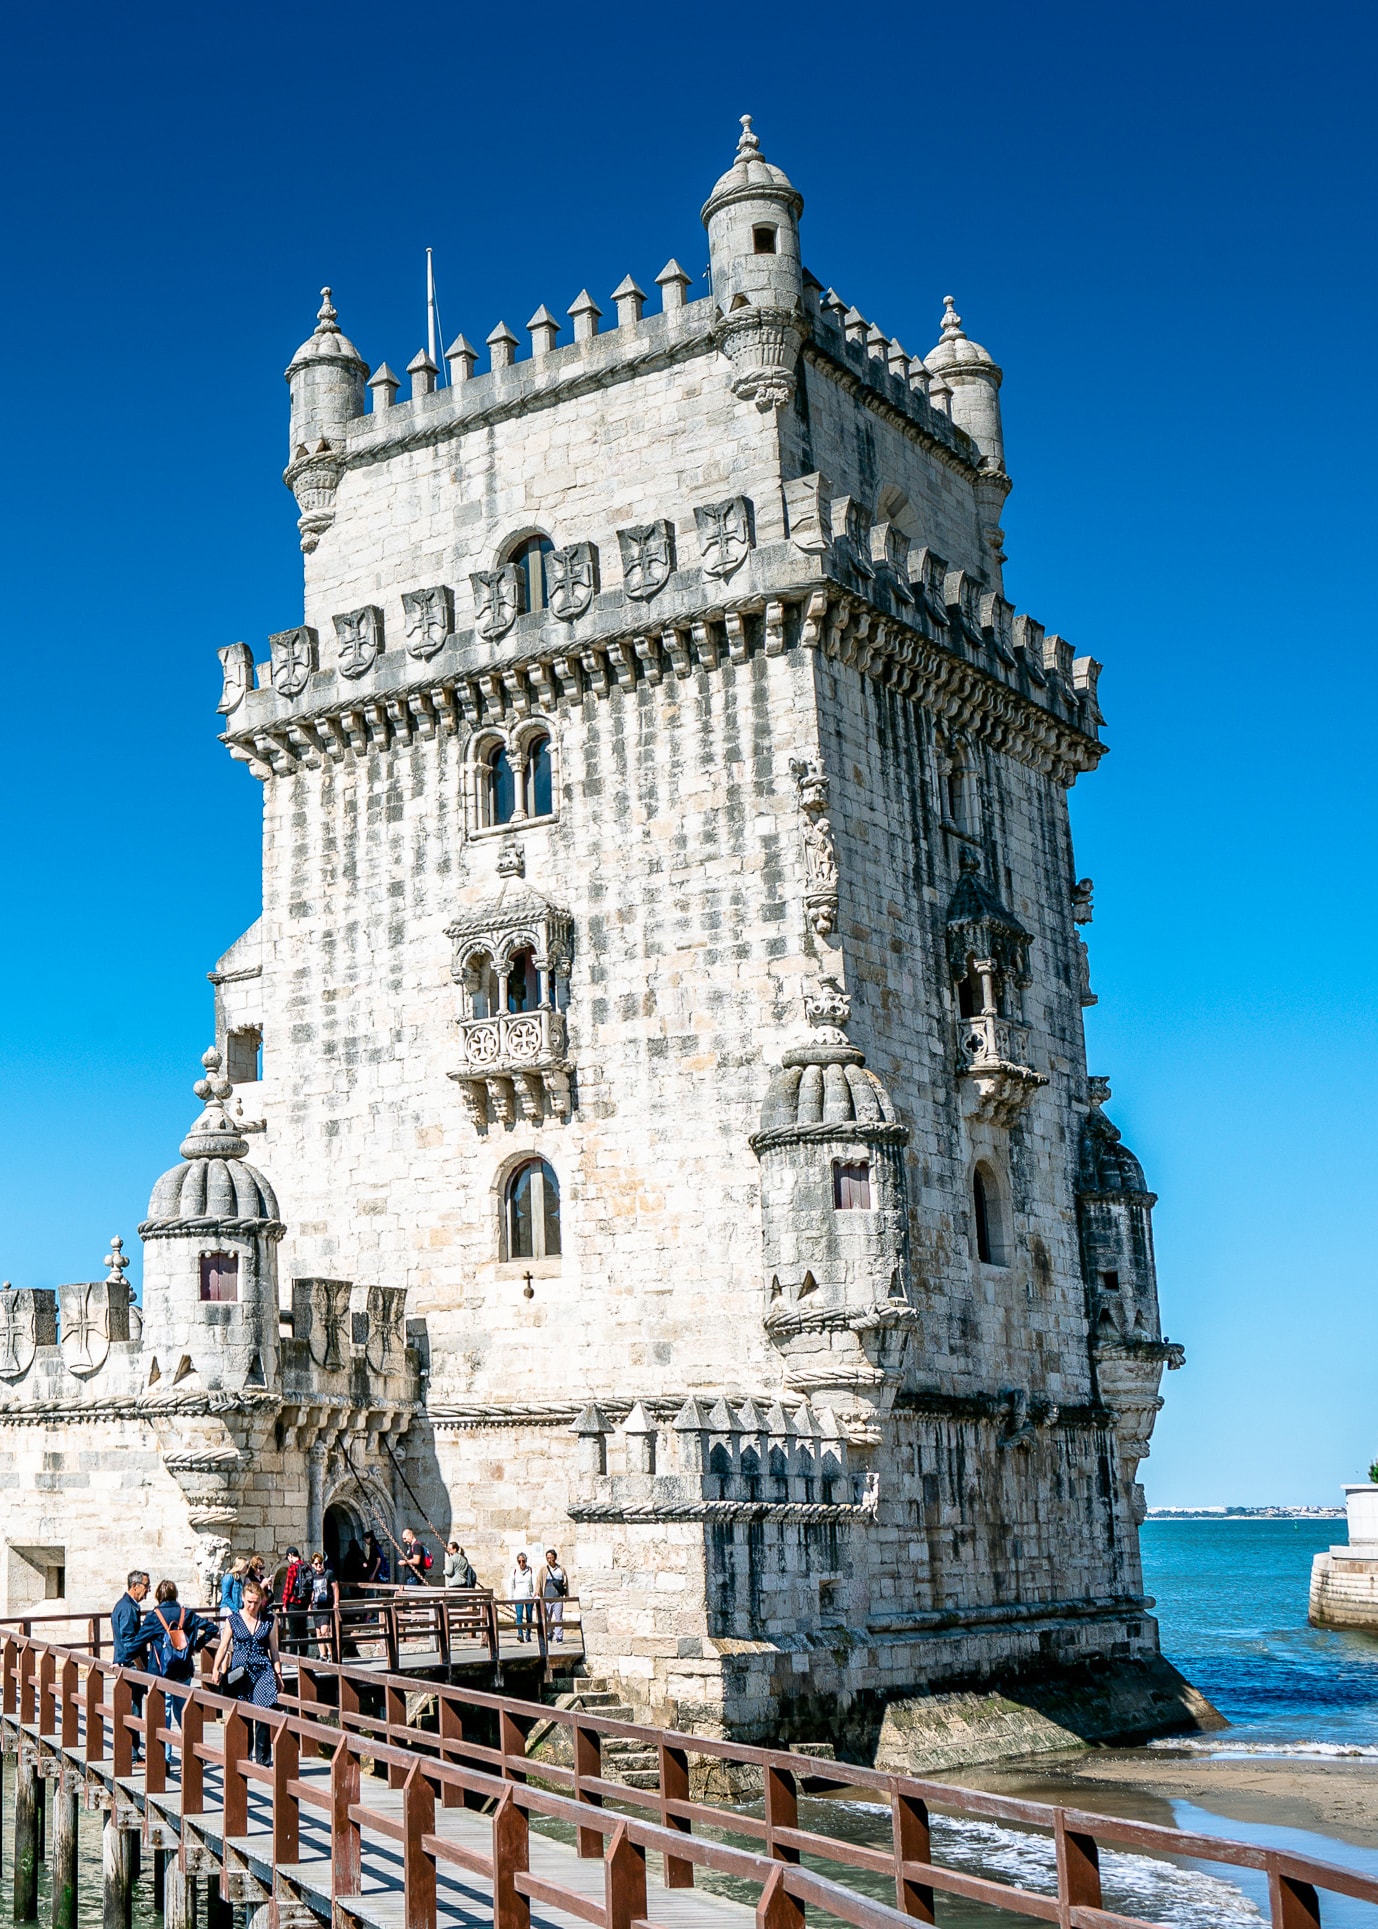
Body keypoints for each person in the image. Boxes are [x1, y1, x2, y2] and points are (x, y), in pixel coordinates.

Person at [212, 1577, 282, 1767]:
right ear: (243, 1598)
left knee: (262, 1710)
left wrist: (278, 1674)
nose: (252, 1606)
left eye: (256, 1602)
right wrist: (216, 1667)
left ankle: (263, 1759)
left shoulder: (269, 1620)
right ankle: (244, 1756)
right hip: (241, 1672)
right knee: (244, 1712)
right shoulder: (233, 1619)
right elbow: (224, 1645)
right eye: (249, 1602)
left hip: (263, 1670)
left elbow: (274, 1649)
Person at [139, 1580, 217, 1731]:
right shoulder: (185, 1613)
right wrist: (195, 1646)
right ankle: (191, 1748)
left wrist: (121, 1659)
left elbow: (138, 1641)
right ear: (175, 1594)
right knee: (182, 1709)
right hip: (183, 1668)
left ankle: (164, 1755)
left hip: (161, 1670)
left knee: (164, 1712)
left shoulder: (154, 1616)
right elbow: (211, 1628)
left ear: (158, 1595)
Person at [112, 1571, 152, 1759]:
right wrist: (141, 1666)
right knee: (133, 1710)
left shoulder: (124, 1605)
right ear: (135, 1586)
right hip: (131, 1666)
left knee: (132, 1709)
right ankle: (133, 1755)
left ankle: (132, 1752)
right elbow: (129, 1641)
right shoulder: (127, 1608)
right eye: (146, 1587)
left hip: (127, 1664)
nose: (147, 1592)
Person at [306, 1552, 339, 1657]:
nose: (319, 1565)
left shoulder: (329, 1573)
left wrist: (336, 1603)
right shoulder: (313, 1576)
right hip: (316, 1605)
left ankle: (330, 1652)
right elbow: (312, 1592)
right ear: (312, 1565)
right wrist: (309, 1606)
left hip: (326, 1605)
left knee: (325, 1630)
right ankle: (323, 1654)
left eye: (320, 1563)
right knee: (318, 1632)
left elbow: (335, 1588)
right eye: (316, 1564)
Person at [280, 1546, 312, 1653]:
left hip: (293, 1603)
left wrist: (284, 1604)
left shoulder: (293, 1568)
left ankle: (293, 1657)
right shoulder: (306, 1566)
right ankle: (303, 1655)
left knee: (293, 1631)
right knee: (303, 1631)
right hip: (304, 1603)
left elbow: (288, 1588)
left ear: (290, 1556)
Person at [542, 1548, 568, 1644]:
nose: (550, 1560)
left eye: (551, 1558)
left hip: (557, 1597)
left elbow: (565, 1582)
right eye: (548, 1558)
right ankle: (549, 1634)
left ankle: (559, 1637)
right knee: (548, 1617)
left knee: (558, 1617)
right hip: (547, 1597)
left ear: (555, 1558)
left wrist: (566, 1594)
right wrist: (537, 1592)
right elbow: (539, 1581)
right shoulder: (544, 1570)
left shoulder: (561, 1569)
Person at [510, 1551, 535, 1642]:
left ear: (526, 1561)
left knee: (529, 1617)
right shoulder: (514, 1571)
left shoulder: (531, 1570)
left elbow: (534, 1583)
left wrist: (534, 1595)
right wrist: (511, 1598)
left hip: (528, 1596)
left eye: (523, 1561)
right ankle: (520, 1633)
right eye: (519, 1561)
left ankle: (528, 1635)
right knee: (519, 1616)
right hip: (518, 1596)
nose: (521, 1563)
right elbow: (511, 1585)